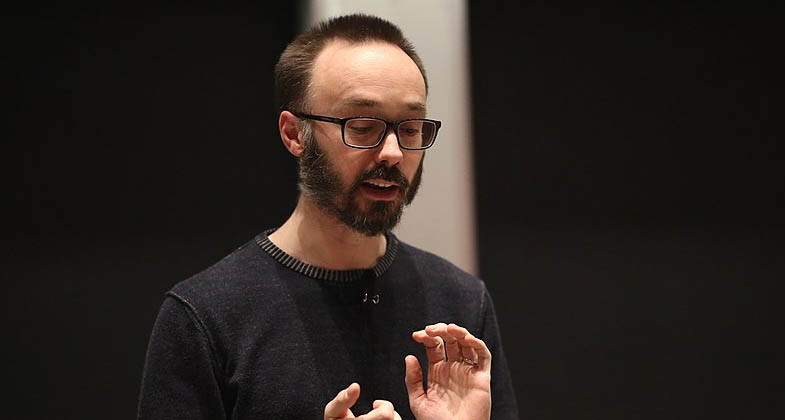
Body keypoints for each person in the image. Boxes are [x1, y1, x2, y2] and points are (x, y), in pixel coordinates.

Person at [137, 14, 518, 420]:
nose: (392, 153)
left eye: (409, 128)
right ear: (293, 134)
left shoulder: (460, 302)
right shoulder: (205, 316)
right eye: (362, 125)